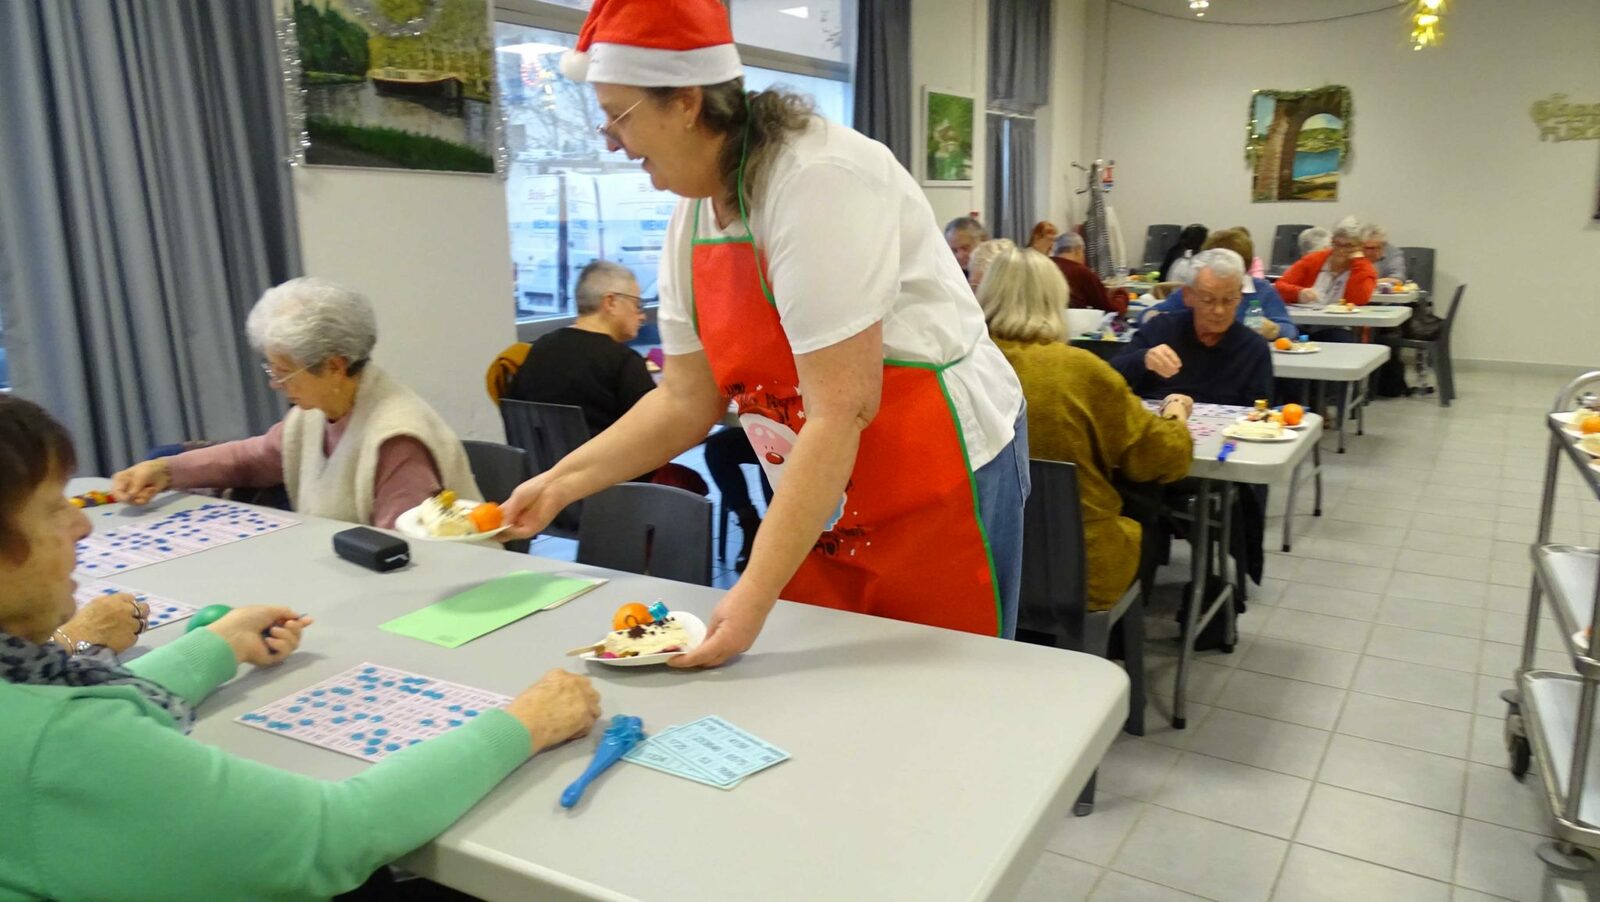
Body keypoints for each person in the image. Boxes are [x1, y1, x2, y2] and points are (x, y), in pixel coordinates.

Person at [505, 0, 1029, 666]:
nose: (609, 140)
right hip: (822, 482)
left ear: (686, 102)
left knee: (947, 677)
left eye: (619, 116)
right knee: (831, 670)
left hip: (936, 462)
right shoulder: (693, 214)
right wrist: (559, 483)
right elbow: (685, 399)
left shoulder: (818, 181)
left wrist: (752, 593)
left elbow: (840, 410)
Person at [0, 395, 602, 899]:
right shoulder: (61, 744)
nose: (82, 524)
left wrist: (215, 647)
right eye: (53, 510)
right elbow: (334, 834)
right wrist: (523, 724)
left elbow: (81, 699)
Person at [111, 278, 480, 529]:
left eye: (284, 372)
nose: (274, 384)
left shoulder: (396, 439)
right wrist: (164, 470)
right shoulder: (315, 414)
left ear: (335, 367)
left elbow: (405, 556)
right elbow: (252, 459)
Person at [979, 246, 1192, 610]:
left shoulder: (965, 367)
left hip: (984, 565)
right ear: (1056, 300)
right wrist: (1175, 413)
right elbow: (1161, 458)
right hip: (1079, 569)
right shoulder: (1081, 371)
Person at [505, 259, 653, 437]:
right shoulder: (623, 361)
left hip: (543, 455)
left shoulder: (538, 350)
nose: (642, 316)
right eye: (637, 305)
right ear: (611, 302)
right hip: (609, 455)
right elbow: (657, 429)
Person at [1110, 249, 1274, 407]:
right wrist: (1143, 359)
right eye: (1208, 300)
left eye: (1229, 300)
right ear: (1188, 295)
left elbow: (1259, 411)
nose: (1219, 310)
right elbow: (1108, 377)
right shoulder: (1161, 328)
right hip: (1158, 421)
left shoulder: (1253, 348)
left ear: (1240, 296)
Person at [1142, 228, 1293, 340]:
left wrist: (1274, 330)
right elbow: (1145, 316)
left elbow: (1290, 330)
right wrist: (1160, 320)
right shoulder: (1196, 289)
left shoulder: (1262, 291)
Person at [1275, 224, 1377, 306]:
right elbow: (1279, 287)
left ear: (1360, 247)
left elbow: (1358, 300)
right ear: (1331, 242)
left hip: (1343, 322)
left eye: (1348, 246)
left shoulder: (1364, 268)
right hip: (1306, 319)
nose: (1341, 250)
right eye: (1337, 244)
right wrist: (1298, 293)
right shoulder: (1313, 260)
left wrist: (1359, 262)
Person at [1050, 232, 1125, 315]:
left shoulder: (1044, 266)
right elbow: (1110, 309)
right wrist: (1121, 295)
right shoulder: (1081, 271)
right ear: (1077, 251)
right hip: (1073, 321)